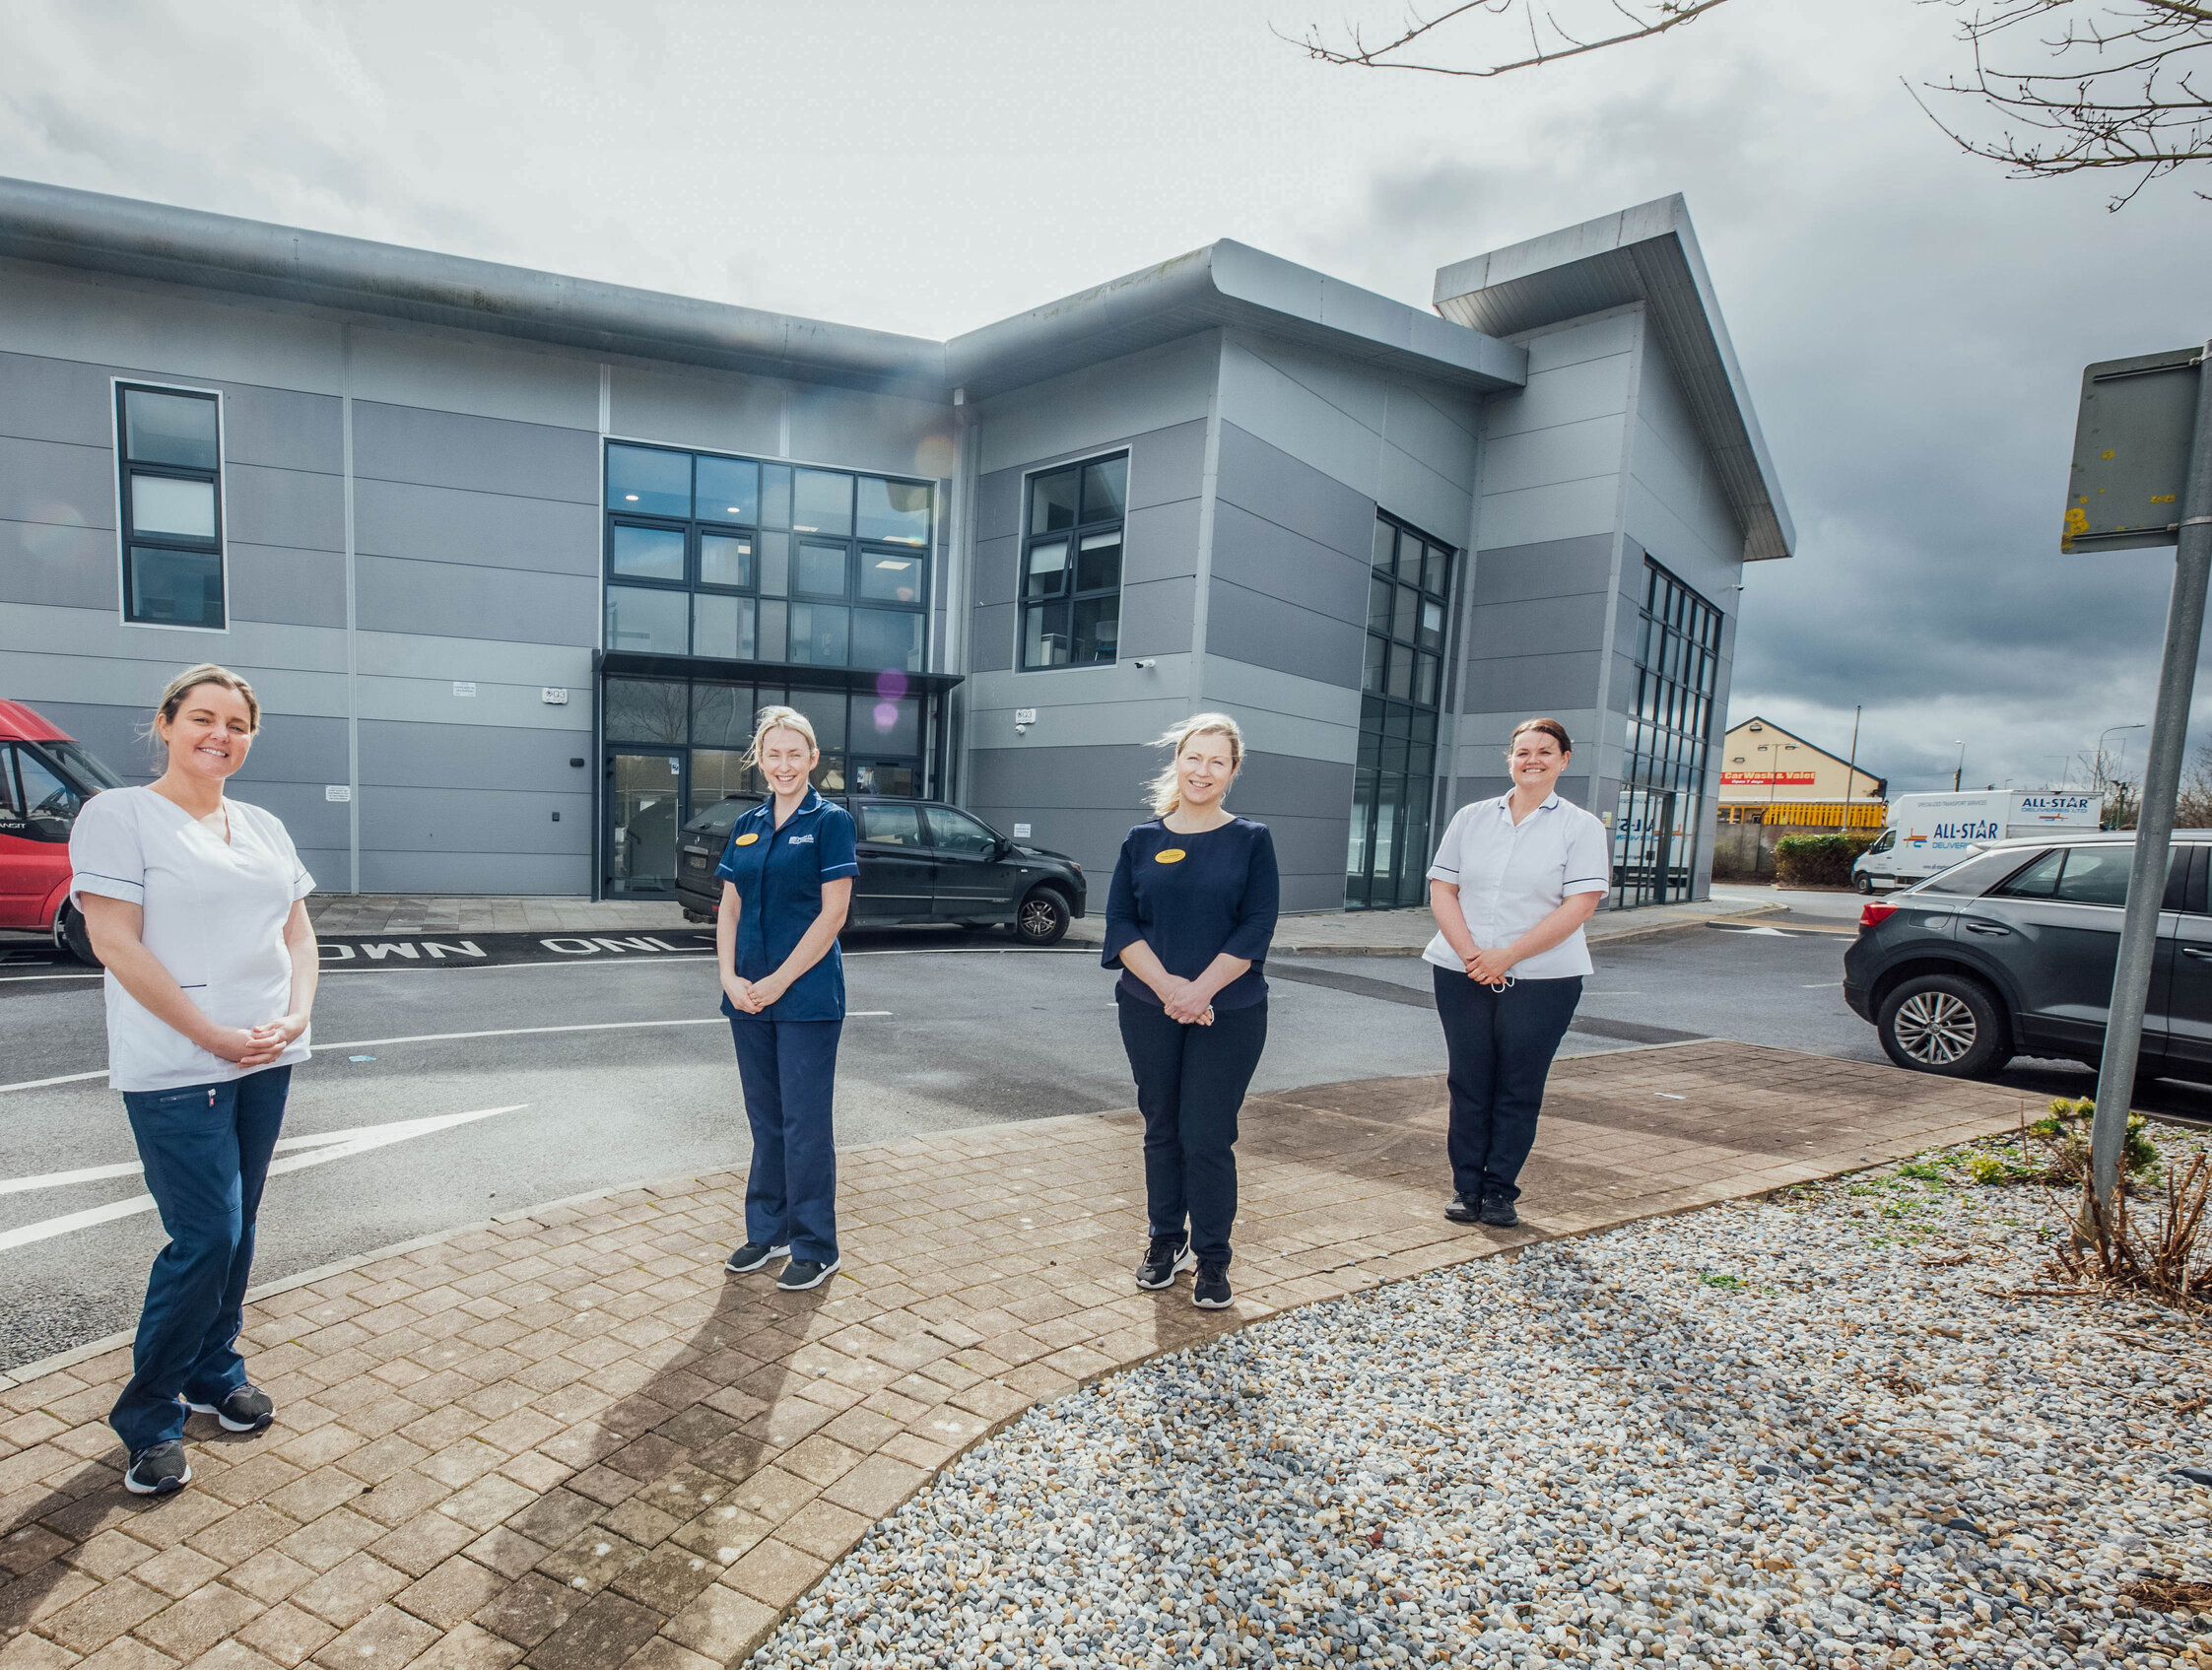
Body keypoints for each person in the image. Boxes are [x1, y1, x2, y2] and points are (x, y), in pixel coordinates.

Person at [68, 665, 319, 1497]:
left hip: (263, 1056)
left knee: (239, 1228)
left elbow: (298, 933)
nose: (221, 734)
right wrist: (208, 1033)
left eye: (237, 724)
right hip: (178, 1063)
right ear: (167, 723)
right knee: (205, 1233)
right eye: (203, 717)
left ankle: (214, 1370)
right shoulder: (120, 816)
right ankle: (148, 1417)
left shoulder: (262, 826)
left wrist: (295, 1015)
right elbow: (116, 943)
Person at [1102, 713, 1279, 1310]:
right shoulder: (1141, 840)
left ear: (1233, 770)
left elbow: (1257, 925)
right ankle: (1164, 1240)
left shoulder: (1251, 840)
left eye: (1217, 761)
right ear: (1177, 761)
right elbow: (1121, 924)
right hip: (1148, 1005)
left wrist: (1200, 990)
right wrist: (1171, 989)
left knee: (1206, 1134)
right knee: (1161, 1129)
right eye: (1193, 758)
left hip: (1229, 1010)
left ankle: (1213, 1257)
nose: (1203, 771)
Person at [1425, 716, 1609, 1229]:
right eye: (1523, 751)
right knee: (1468, 1080)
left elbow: (1581, 904)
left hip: (1544, 978)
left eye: (1545, 752)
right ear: (1510, 759)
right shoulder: (1472, 818)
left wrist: (1506, 956)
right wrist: (1472, 955)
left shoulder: (1580, 826)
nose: (1533, 760)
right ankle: (1466, 1187)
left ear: (1564, 760)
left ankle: (1500, 1190)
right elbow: (1443, 889)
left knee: (1518, 1084)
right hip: (1460, 971)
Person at [713, 706, 858, 1292]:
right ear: (760, 760)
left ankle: (815, 1246)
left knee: (803, 1123)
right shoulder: (746, 825)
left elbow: (834, 914)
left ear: (812, 759)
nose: (783, 764)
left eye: (794, 753)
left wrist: (778, 981)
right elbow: (729, 906)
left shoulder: (831, 823)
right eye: (772, 754)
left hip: (805, 998)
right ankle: (767, 1231)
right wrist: (728, 976)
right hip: (746, 994)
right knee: (765, 1120)